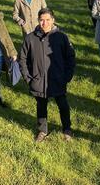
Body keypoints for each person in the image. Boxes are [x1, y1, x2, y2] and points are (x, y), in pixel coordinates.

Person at [18, 8, 76, 143]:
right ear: (38, 21)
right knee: (41, 106)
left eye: (48, 20)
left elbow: (70, 57)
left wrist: (67, 76)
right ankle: (42, 130)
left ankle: (67, 129)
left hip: (57, 79)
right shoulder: (30, 38)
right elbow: (22, 59)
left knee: (63, 104)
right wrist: (28, 78)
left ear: (53, 20)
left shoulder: (61, 37)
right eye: (42, 20)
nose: (44, 23)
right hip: (38, 80)